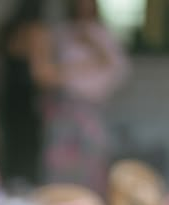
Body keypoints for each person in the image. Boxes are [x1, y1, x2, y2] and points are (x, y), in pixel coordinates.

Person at [37, 0, 128, 193]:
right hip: (66, 106)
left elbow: (117, 68)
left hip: (92, 107)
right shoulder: (62, 33)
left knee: (92, 162)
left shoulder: (102, 34)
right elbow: (46, 73)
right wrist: (78, 69)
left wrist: (92, 45)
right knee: (62, 163)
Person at [0, 0, 46, 189]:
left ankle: (11, 186)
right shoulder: (34, 31)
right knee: (28, 149)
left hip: (8, 95)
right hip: (28, 97)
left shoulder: (8, 29)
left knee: (10, 145)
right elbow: (40, 72)